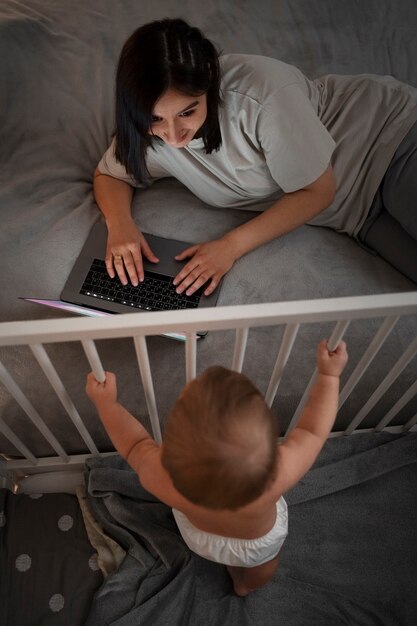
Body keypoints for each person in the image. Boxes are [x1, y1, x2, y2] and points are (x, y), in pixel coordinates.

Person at [94, 18, 417, 292]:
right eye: (154, 119)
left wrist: (230, 246)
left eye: (187, 112)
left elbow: (318, 191)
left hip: (389, 141)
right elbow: (109, 174)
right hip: (357, 216)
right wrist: (121, 226)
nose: (174, 136)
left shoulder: (261, 94)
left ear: (209, 80)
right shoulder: (144, 134)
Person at [86, 339, 348, 596]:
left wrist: (107, 405)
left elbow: (134, 444)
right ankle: (246, 586)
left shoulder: (164, 481)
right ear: (269, 450)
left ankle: (232, 568)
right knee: (265, 567)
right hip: (256, 546)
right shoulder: (276, 477)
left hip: (202, 540)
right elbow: (311, 431)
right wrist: (329, 376)